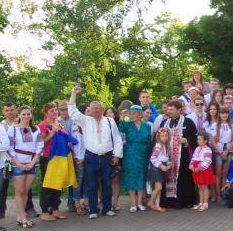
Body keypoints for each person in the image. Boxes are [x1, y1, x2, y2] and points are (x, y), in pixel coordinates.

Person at [68, 86, 125, 219]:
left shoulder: (110, 121)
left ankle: (107, 209)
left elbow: (117, 139)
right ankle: (93, 210)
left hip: (107, 157)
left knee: (107, 184)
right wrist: (73, 93)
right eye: (93, 109)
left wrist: (117, 155)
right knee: (92, 184)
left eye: (98, 108)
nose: (95, 111)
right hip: (91, 157)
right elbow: (72, 111)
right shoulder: (85, 121)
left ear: (102, 109)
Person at [156, 99, 198, 210]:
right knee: (167, 177)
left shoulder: (188, 122)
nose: (169, 111)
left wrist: (186, 140)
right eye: (168, 109)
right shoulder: (164, 122)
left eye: (172, 110)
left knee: (184, 178)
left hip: (182, 156)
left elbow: (195, 137)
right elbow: (158, 137)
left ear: (179, 110)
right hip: (167, 155)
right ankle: (168, 202)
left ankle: (185, 201)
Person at [6, 106, 43, 228]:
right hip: (18, 163)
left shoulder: (36, 129)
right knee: (19, 190)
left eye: (28, 114)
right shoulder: (13, 129)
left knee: (26, 190)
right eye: (23, 114)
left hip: (32, 163)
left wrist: (33, 162)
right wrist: (18, 164)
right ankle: (22, 217)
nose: (26, 116)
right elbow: (9, 147)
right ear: (19, 115)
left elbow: (40, 146)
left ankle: (21, 216)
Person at [39, 118, 79, 223]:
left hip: (60, 158)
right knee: (47, 185)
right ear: (46, 113)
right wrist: (52, 134)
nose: (54, 112)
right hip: (48, 158)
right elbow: (40, 143)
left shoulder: (59, 124)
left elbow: (68, 137)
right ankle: (45, 211)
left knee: (58, 185)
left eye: (55, 110)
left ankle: (55, 209)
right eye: (51, 111)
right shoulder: (43, 125)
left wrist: (62, 133)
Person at [117, 105, 152, 212]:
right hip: (130, 153)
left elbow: (149, 140)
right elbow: (120, 128)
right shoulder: (127, 125)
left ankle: (140, 202)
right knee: (131, 176)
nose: (131, 115)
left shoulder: (147, 126)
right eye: (130, 113)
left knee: (141, 176)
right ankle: (133, 203)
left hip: (143, 153)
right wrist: (123, 116)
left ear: (140, 115)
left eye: (133, 113)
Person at [148, 128, 172, 212]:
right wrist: (161, 166)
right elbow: (153, 158)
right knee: (159, 187)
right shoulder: (158, 146)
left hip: (162, 167)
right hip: (156, 168)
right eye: (162, 136)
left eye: (166, 136)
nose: (164, 138)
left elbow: (165, 158)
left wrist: (169, 164)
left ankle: (157, 205)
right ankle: (151, 202)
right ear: (159, 137)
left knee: (159, 189)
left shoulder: (165, 146)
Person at [189, 132, 215, 211]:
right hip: (196, 169)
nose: (198, 141)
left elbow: (207, 161)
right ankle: (200, 203)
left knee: (204, 186)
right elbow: (193, 158)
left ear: (205, 141)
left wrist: (199, 167)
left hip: (204, 170)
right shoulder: (197, 148)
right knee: (199, 186)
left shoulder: (208, 150)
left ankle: (205, 203)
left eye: (200, 140)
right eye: (198, 139)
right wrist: (191, 165)